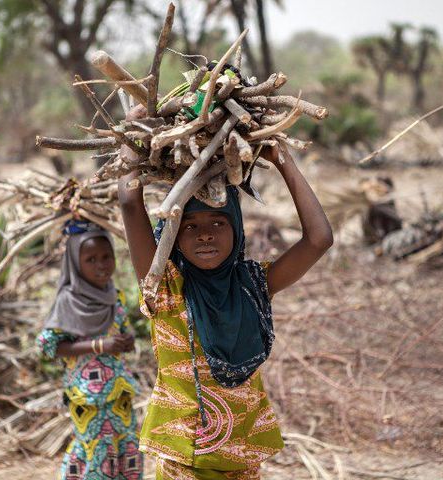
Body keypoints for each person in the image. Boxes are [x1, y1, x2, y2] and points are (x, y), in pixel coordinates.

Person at [118, 106, 334, 480]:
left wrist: (283, 161)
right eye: (190, 225)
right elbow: (128, 203)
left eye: (219, 222)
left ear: (237, 229)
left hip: (242, 461)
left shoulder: (254, 285)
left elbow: (319, 240)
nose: (205, 234)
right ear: (172, 235)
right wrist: (133, 146)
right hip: (184, 460)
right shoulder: (165, 287)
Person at [37, 220, 143, 480]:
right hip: (88, 396)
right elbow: (48, 346)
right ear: (75, 262)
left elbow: (121, 329)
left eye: (107, 257)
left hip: (119, 392)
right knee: (95, 450)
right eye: (91, 259)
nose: (101, 265)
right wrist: (99, 346)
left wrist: (126, 341)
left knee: (124, 448)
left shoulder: (114, 295)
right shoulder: (68, 300)